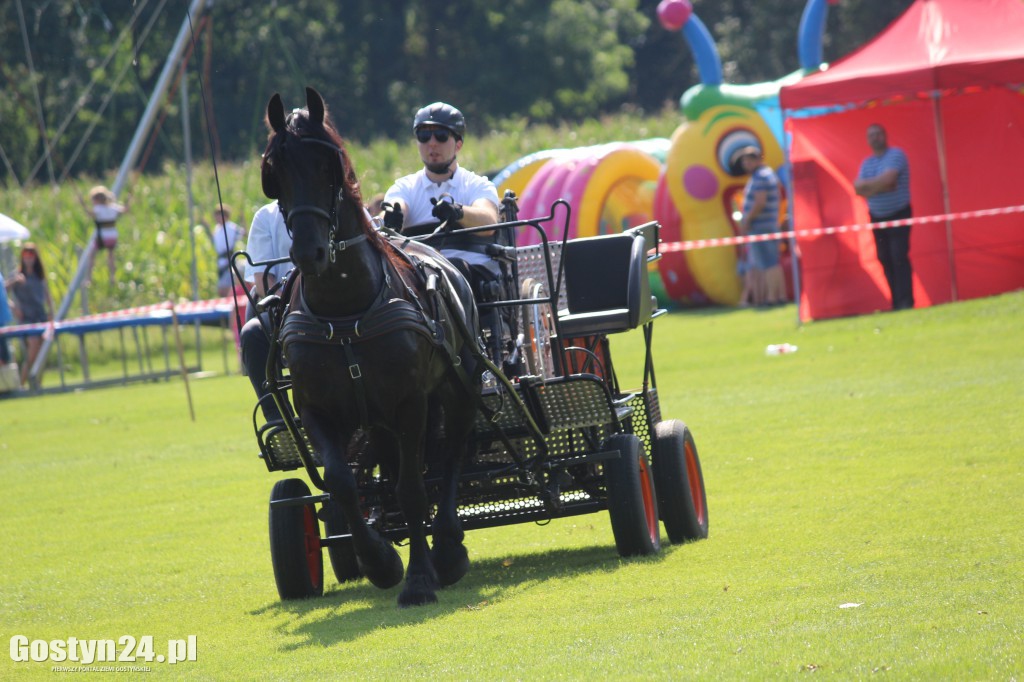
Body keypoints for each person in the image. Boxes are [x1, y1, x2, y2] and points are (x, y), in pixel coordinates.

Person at [382, 102, 501, 281]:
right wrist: (391, 217)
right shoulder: (403, 187)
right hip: (417, 274)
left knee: (456, 269)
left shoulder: (477, 185)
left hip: (470, 274)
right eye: (424, 136)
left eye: (441, 135)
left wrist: (459, 212)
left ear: (458, 144)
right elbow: (396, 205)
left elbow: (488, 220)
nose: (432, 143)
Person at [238, 201, 292, 422]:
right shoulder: (266, 217)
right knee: (252, 334)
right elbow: (262, 279)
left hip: (340, 309)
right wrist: (289, 307)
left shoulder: (340, 203)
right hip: (287, 309)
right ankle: (280, 421)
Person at [854, 123, 914, 311]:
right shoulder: (867, 163)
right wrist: (880, 186)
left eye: (878, 133)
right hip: (877, 216)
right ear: (867, 140)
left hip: (899, 214)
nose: (875, 137)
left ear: (885, 135)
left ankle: (906, 301)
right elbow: (858, 189)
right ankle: (896, 302)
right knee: (884, 257)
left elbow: (890, 180)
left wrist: (870, 187)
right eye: (871, 135)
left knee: (898, 256)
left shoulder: (896, 155)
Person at [735, 145, 786, 306]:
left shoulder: (760, 177)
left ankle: (772, 298)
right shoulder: (766, 174)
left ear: (757, 160)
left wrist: (747, 220)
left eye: (748, 161)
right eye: (744, 162)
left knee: (768, 263)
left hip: (761, 226)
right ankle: (778, 296)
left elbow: (759, 201)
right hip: (768, 225)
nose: (746, 165)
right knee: (772, 262)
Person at [5, 243, 54, 387]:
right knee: (32, 351)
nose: (28, 258)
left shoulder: (39, 276)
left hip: (41, 317)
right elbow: (3, 292)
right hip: (27, 319)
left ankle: (37, 383)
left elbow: (47, 296)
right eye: (25, 255)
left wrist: (51, 313)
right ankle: (22, 383)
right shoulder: (17, 275)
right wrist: (14, 308)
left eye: (31, 255)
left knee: (42, 352)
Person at [85, 185, 128, 285]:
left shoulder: (98, 208)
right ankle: (112, 277)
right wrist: (127, 202)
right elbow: (124, 210)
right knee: (111, 256)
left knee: (91, 255)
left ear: (97, 199)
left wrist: (84, 206)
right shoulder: (113, 207)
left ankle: (89, 278)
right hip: (113, 237)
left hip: (101, 237)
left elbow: (91, 214)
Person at [208, 205, 246, 297]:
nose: (217, 218)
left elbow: (243, 233)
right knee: (222, 290)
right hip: (220, 263)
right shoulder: (217, 228)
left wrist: (242, 219)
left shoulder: (231, 227)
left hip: (228, 262)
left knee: (226, 289)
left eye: (219, 215)